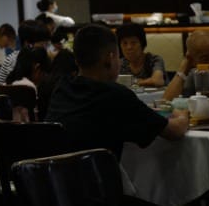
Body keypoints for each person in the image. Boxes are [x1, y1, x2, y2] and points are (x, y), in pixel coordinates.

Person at [46, 24, 188, 161]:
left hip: (55, 175)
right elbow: (174, 131)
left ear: (77, 60)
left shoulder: (62, 88)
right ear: (110, 58)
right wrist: (182, 114)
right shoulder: (116, 95)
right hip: (97, 175)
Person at [0, 20, 51, 84]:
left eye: (47, 44)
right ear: (28, 43)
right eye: (42, 44)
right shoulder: (15, 60)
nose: (45, 48)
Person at [5, 47, 49, 123]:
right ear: (35, 66)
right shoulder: (28, 87)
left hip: (10, 127)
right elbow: (35, 117)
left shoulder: (9, 82)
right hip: (29, 128)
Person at [116, 22, 165, 88]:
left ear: (142, 44)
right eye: (125, 43)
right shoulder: (121, 63)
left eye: (133, 43)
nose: (129, 47)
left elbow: (158, 81)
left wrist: (132, 82)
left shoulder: (154, 60)